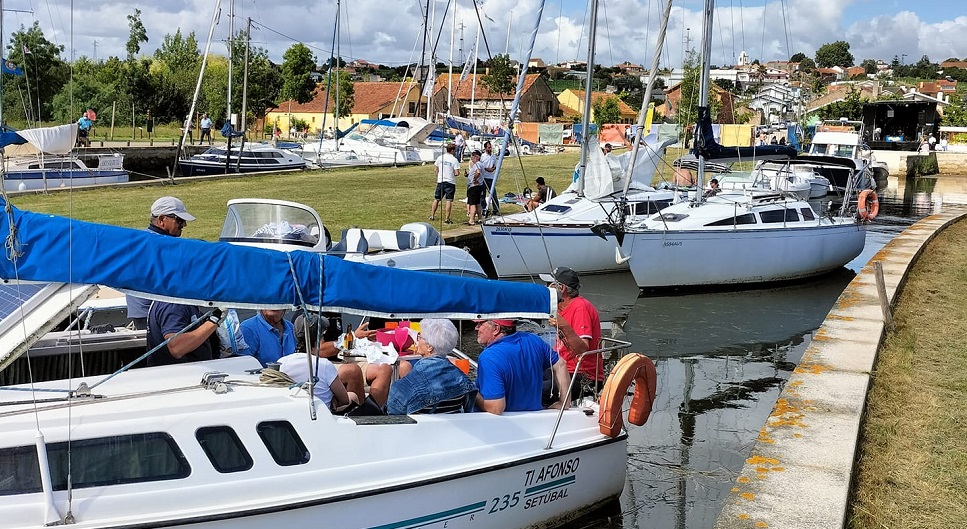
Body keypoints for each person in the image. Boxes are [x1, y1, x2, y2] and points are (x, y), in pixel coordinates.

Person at [293, 313, 409, 407]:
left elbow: (343, 345)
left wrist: (362, 342)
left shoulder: (336, 309)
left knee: (386, 369)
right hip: (323, 364)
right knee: (352, 371)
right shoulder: (309, 314)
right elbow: (320, 350)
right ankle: (359, 416)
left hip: (343, 359)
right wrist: (352, 338)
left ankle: (373, 414)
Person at [126, 197, 196, 329]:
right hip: (158, 315)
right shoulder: (162, 245)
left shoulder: (141, 240)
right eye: (179, 220)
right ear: (162, 220)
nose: (184, 225)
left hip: (142, 313)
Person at [474, 318, 570, 414]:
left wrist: (473, 392)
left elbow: (496, 408)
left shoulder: (489, 358)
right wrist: (564, 402)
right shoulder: (533, 340)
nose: (476, 328)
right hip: (535, 420)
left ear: (496, 329)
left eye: (480, 324)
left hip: (504, 424)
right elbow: (561, 365)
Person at [540, 267, 603, 401]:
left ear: (561, 288)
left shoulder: (581, 307)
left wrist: (564, 326)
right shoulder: (561, 307)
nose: (545, 287)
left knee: (536, 391)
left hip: (582, 376)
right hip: (561, 368)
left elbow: (582, 349)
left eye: (548, 284)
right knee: (522, 379)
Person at [386, 319, 475, 415]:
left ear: (430, 347)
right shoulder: (463, 380)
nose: (417, 339)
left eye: (420, 336)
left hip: (419, 429)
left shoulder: (403, 387)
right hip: (450, 429)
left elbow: (394, 416)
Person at [146, 302, 221, 367]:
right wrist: (214, 320)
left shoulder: (175, 301)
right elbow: (177, 348)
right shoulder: (175, 305)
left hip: (183, 373)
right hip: (180, 376)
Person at [277, 352, 358, 411]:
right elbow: (344, 400)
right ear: (316, 343)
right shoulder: (324, 364)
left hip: (294, 410)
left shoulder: (282, 362)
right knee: (353, 396)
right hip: (322, 414)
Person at [429, 143, 460, 224]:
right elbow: (457, 173)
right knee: (449, 200)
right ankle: (447, 219)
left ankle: (432, 216)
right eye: (455, 150)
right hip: (450, 182)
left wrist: (439, 176)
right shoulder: (454, 160)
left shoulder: (440, 157)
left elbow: (436, 170)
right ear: (452, 150)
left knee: (436, 199)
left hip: (440, 181)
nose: (456, 152)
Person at [465, 150, 485, 225]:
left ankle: (471, 220)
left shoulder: (478, 164)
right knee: (478, 203)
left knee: (472, 203)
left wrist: (474, 179)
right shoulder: (480, 164)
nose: (471, 158)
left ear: (477, 157)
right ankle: (480, 218)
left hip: (474, 187)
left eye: (473, 156)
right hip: (478, 186)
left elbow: (478, 172)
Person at [479, 141, 499, 216]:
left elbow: (495, 165)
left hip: (491, 177)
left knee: (493, 194)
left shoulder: (493, 156)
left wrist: (493, 168)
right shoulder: (482, 156)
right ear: (485, 148)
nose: (490, 148)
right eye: (488, 147)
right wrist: (487, 169)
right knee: (482, 195)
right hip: (484, 177)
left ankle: (495, 209)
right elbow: (481, 166)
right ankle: (484, 209)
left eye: (490, 147)